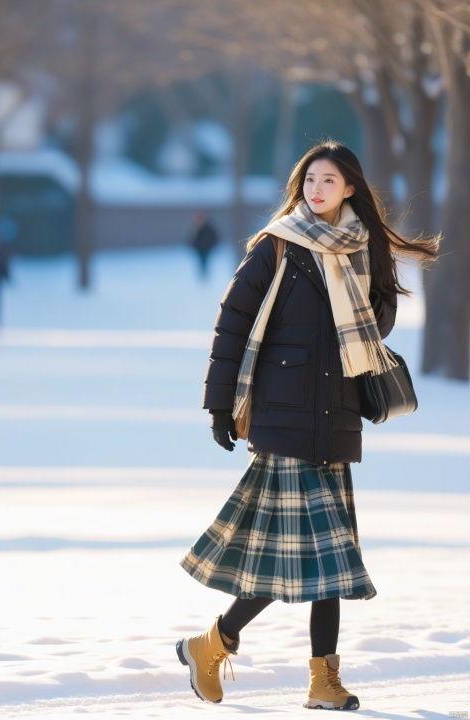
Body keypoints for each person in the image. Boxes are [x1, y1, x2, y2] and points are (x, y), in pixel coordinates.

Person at [176, 141, 439, 710]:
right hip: (283, 415)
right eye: (310, 180)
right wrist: (220, 406)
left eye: (329, 181)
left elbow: (380, 326)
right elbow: (231, 324)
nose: (317, 190)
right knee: (328, 560)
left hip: (337, 418)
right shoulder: (279, 245)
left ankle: (229, 650)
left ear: (350, 189)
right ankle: (249, 656)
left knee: (324, 562)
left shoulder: (364, 249)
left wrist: (370, 284)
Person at [187, 211, 220, 279]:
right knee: (201, 262)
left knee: (205, 261)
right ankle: (202, 274)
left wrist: (211, 245)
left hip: (207, 249)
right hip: (199, 249)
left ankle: (205, 274)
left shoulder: (208, 228)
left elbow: (214, 237)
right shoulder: (195, 227)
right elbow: (191, 238)